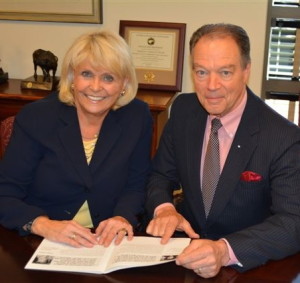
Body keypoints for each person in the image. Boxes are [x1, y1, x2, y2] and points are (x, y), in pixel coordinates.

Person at [145, 23, 300, 278]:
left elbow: (293, 222)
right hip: (184, 258)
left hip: (249, 268)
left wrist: (224, 250)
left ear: (246, 70)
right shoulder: (183, 110)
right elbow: (160, 175)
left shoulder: (283, 137)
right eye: (202, 72)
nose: (211, 86)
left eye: (225, 73)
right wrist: (165, 209)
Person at [0, 29, 153, 248]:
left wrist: (123, 217)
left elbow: (137, 185)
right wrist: (43, 225)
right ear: (72, 77)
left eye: (108, 77)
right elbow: (5, 193)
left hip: (108, 243)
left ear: (124, 84)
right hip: (42, 241)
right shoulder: (37, 118)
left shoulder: (137, 116)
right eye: (87, 74)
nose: (96, 87)